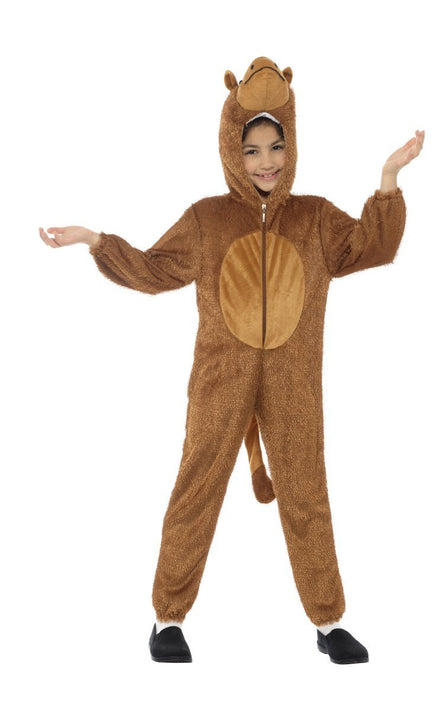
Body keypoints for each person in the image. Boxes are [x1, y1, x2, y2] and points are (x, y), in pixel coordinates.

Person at [39, 56, 424, 665]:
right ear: (230, 151)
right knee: (198, 485)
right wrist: (96, 241)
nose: (266, 162)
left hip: (295, 381)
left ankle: (328, 622)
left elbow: (369, 246)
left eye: (276, 146)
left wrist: (388, 179)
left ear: (291, 146)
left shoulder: (315, 218)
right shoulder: (208, 219)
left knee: (307, 490)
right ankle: (167, 618)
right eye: (251, 151)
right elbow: (155, 271)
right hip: (220, 379)